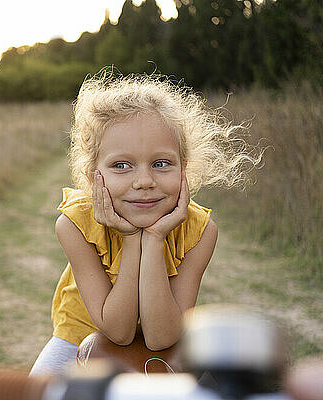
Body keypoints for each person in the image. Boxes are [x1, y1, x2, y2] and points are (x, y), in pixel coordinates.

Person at [29, 71, 263, 377]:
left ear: (184, 169)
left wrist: (153, 239)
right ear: (92, 175)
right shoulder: (74, 225)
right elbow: (117, 332)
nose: (144, 182)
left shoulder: (201, 232)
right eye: (121, 166)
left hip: (163, 354)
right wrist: (130, 239)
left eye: (161, 163)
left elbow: (160, 338)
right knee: (36, 392)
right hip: (76, 342)